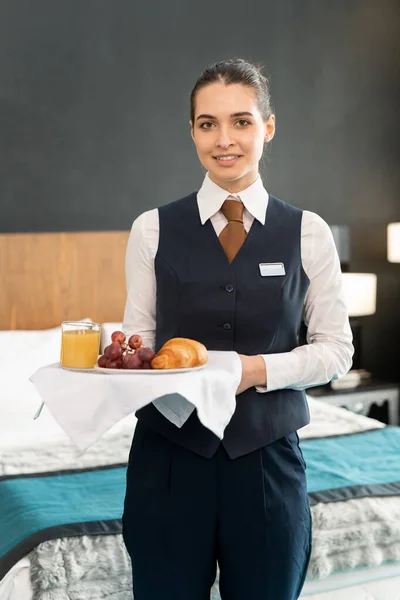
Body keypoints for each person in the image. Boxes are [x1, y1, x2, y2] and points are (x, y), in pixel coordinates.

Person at [121, 58, 354, 600]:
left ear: (267, 127)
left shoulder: (309, 233)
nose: (224, 139)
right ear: (193, 132)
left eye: (241, 121)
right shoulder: (151, 229)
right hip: (170, 463)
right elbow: (140, 344)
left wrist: (254, 371)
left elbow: (337, 351)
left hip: (268, 463)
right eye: (208, 123)